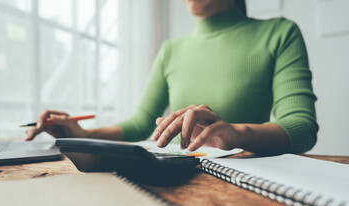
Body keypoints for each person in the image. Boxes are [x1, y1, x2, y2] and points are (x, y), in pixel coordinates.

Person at [25, 0, 318, 154]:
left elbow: (301, 127)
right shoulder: (170, 50)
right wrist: (85, 134)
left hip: (246, 184)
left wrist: (236, 134)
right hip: (176, 177)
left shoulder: (280, 33)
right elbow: (142, 124)